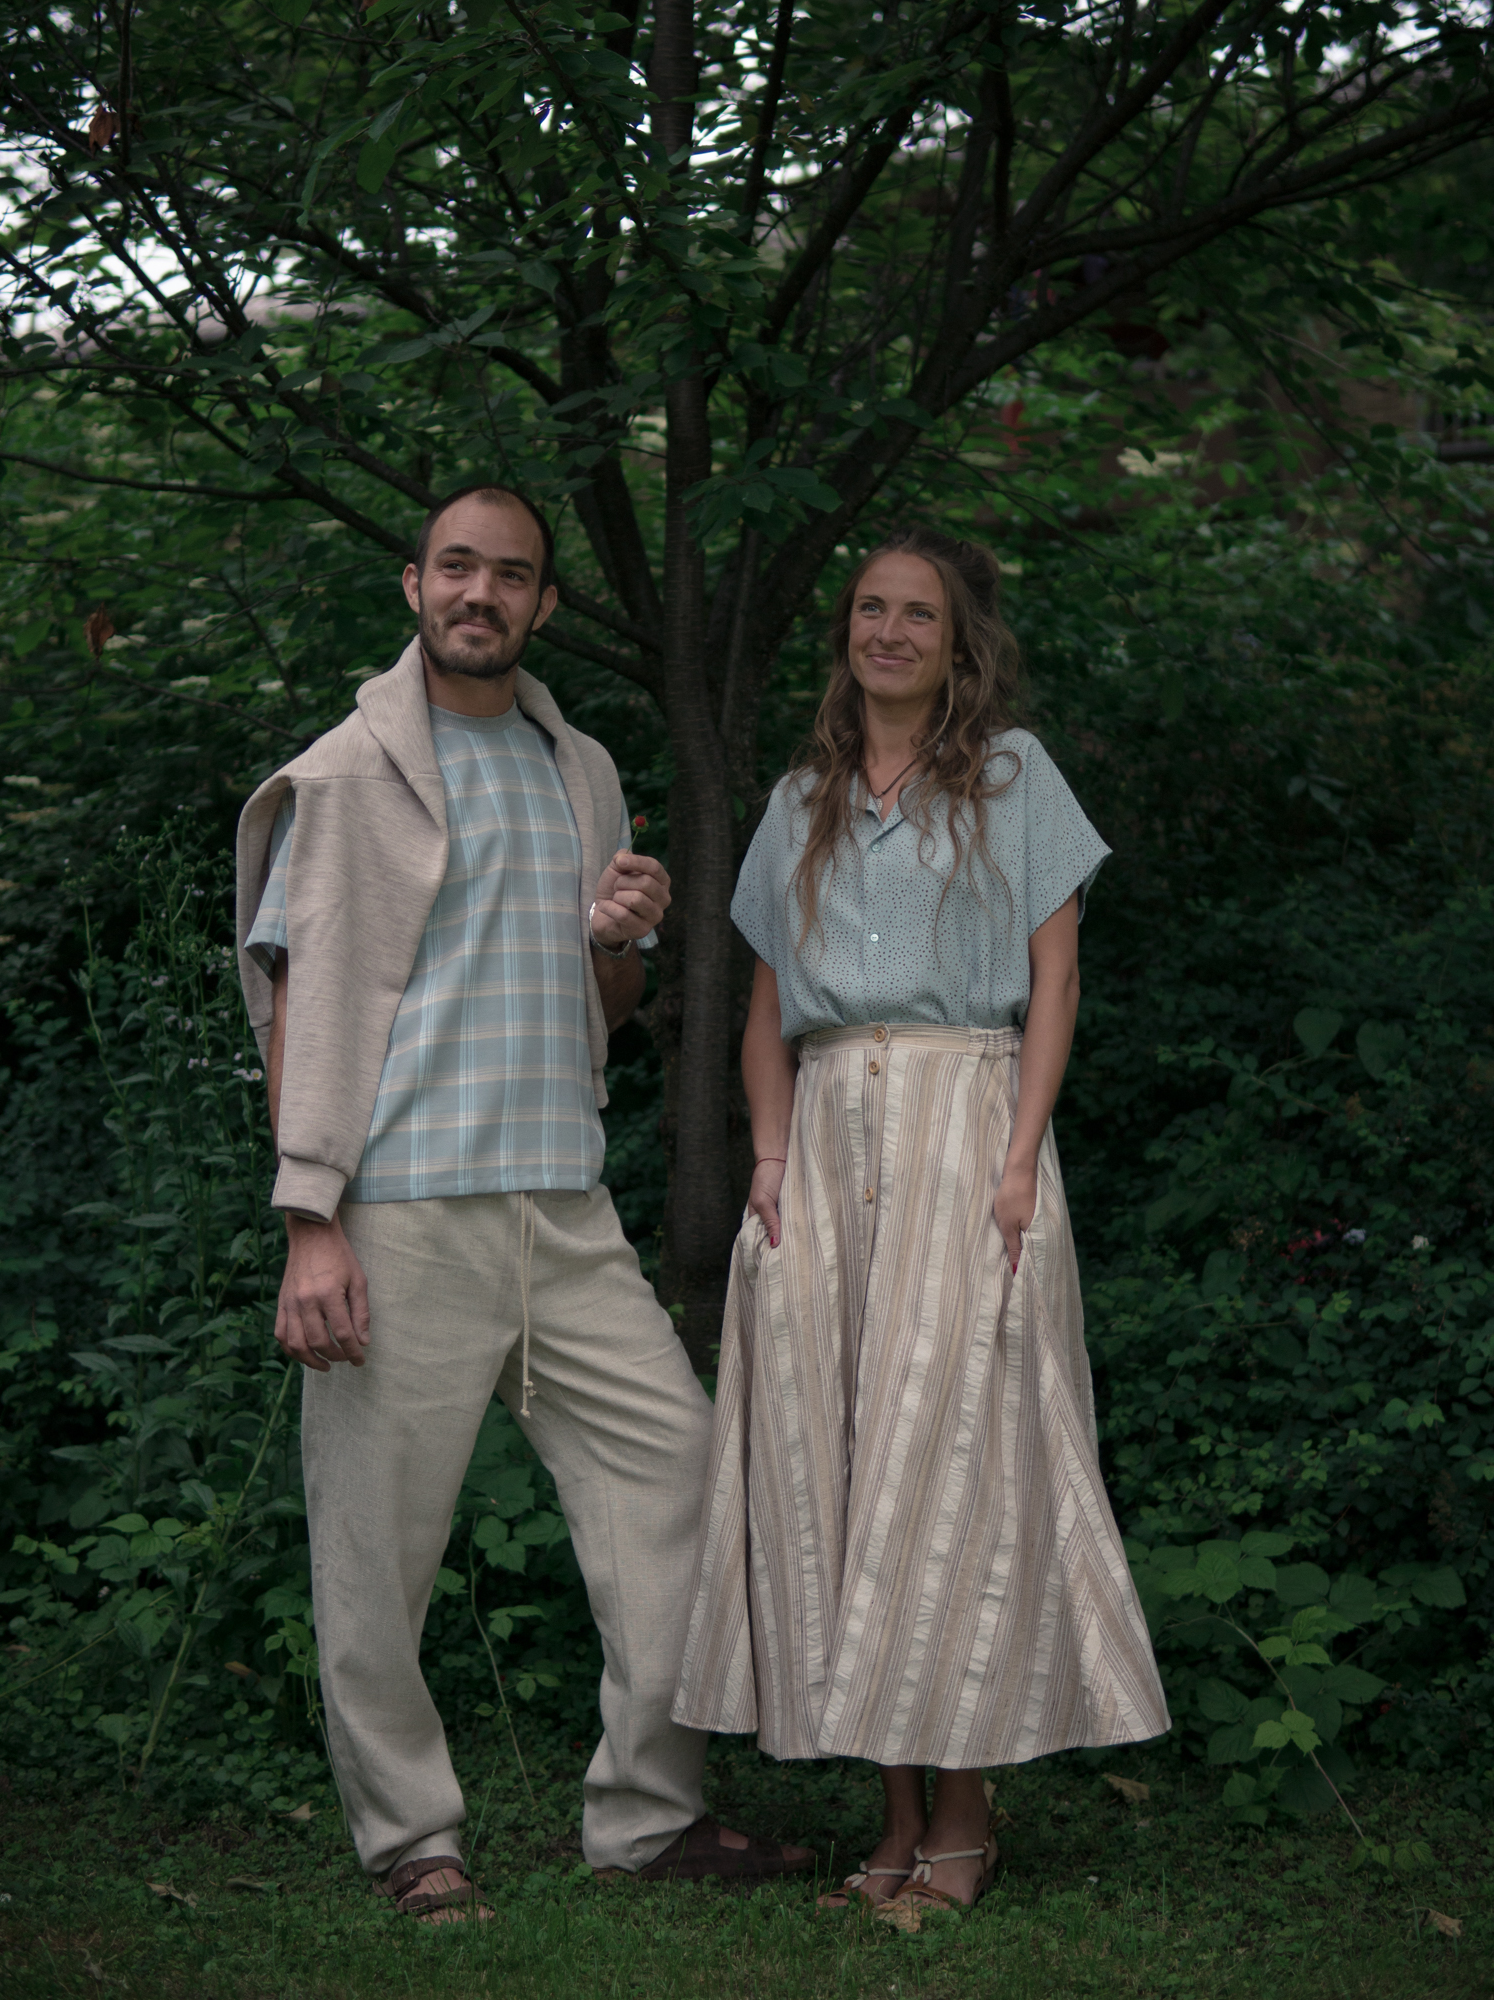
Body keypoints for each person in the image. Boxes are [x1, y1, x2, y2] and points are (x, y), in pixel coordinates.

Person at [235, 482, 810, 1920]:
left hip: (563, 1204)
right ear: (414, 585)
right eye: (456, 567)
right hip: (401, 1213)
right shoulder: (345, 777)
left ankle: (647, 1815)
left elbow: (602, 1006)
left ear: (544, 602)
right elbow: (297, 1005)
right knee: (378, 1551)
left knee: (679, 1473)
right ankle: (412, 1841)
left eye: (508, 575)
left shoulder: (582, 768)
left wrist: (621, 939)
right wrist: (312, 1221)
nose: (478, 594)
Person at [670, 525, 1169, 1917]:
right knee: (836, 1462)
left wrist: (1019, 1162)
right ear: (848, 629)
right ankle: (892, 1818)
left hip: (966, 1126)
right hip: (825, 1142)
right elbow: (768, 1009)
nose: (889, 632)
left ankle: (965, 1818)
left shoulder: (1013, 779)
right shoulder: (801, 800)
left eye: (919, 615)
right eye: (871, 609)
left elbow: (1056, 981)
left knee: (953, 1460)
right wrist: (770, 1158)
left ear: (960, 644)